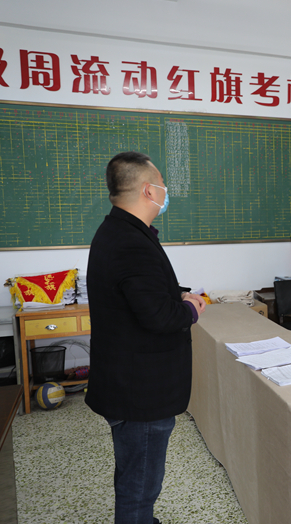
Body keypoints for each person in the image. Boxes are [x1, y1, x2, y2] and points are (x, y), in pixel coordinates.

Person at [86, 151, 206, 524]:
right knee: (140, 486)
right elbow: (159, 316)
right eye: (162, 184)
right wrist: (191, 309)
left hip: (127, 383)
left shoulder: (118, 231)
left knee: (135, 476)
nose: (166, 192)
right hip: (141, 391)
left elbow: (138, 293)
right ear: (148, 190)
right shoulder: (131, 242)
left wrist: (177, 294)